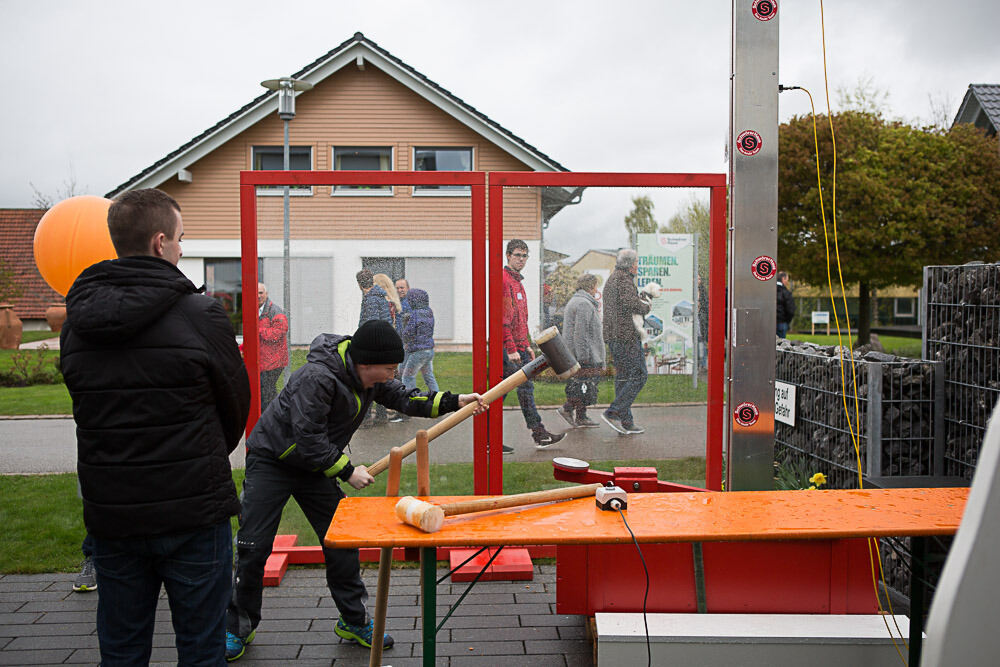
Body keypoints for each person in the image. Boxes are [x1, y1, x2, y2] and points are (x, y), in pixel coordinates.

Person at [60, 188, 251, 664]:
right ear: (160, 242)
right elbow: (235, 405)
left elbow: (86, 405)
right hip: (193, 513)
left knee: (121, 650)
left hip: (114, 512)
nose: (184, 250)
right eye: (182, 240)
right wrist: (201, 455)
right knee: (202, 649)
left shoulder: (76, 322)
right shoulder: (201, 313)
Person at [225, 320, 483, 661]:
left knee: (342, 542)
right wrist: (348, 471)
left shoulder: (370, 380)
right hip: (274, 459)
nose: (394, 374)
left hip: (315, 466)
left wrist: (457, 400)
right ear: (366, 363)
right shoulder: (317, 378)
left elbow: (408, 399)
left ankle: (353, 621)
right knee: (253, 547)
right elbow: (308, 437)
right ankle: (235, 628)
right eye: (390, 368)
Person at [501, 239, 566, 452]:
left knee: (506, 392)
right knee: (514, 390)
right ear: (508, 255)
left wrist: (526, 344)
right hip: (508, 349)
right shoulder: (504, 281)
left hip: (519, 346)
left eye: (524, 256)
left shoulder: (517, 282)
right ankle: (537, 433)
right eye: (517, 255)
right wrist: (511, 348)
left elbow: (521, 320)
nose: (521, 259)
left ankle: (537, 434)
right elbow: (503, 319)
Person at [601, 248, 650, 435]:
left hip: (616, 336)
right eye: (636, 262)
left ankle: (626, 421)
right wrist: (646, 304)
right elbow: (634, 305)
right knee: (639, 375)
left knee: (623, 378)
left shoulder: (615, 278)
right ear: (630, 264)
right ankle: (613, 411)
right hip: (625, 336)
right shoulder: (623, 280)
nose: (638, 265)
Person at [558, 273, 605, 428]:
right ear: (591, 286)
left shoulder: (576, 301)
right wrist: (583, 355)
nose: (596, 289)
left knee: (582, 384)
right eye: (595, 286)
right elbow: (581, 332)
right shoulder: (584, 304)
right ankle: (569, 409)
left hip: (575, 352)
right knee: (584, 384)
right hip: (584, 353)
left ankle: (580, 416)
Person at [356, 269, 392, 426]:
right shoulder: (380, 297)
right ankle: (381, 415)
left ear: (359, 284)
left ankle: (365, 418)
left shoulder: (370, 299)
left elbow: (372, 324)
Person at [399, 288, 439, 396]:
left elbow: (409, 332)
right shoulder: (429, 311)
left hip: (418, 352)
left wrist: (403, 337)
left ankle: (410, 401)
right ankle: (438, 399)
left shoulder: (415, 314)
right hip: (428, 351)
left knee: (407, 377)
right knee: (429, 376)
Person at [257, 282, 289, 409]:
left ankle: (273, 414)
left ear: (266, 294)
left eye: (261, 293)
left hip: (274, 361)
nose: (258, 296)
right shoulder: (255, 309)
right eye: (256, 293)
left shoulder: (275, 311)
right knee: (264, 390)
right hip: (263, 360)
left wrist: (258, 330)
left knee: (267, 390)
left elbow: (278, 333)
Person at [776, 271, 795, 338]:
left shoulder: (769, 291)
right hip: (781, 322)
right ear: (783, 279)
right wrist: (787, 321)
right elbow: (790, 309)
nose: (787, 282)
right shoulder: (785, 292)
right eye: (787, 280)